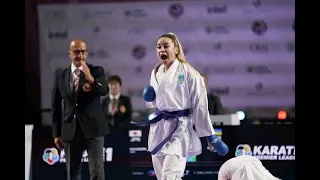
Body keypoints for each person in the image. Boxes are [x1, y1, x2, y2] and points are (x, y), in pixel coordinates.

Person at [135, 32, 225, 180]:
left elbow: (200, 106)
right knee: (161, 176)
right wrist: (150, 99)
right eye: (158, 47)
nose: (162, 50)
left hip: (179, 128)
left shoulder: (190, 74)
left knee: (170, 176)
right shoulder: (156, 72)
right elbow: (156, 103)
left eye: (166, 46)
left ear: (176, 49)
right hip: (158, 129)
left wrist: (210, 135)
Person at [51, 39, 109, 180]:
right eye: (76, 52)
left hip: (94, 129)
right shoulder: (60, 76)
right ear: (69, 54)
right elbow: (56, 105)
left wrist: (91, 79)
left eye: (83, 51)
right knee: (73, 173)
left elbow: (104, 90)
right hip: (70, 130)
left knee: (97, 173)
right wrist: (56, 133)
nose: (80, 55)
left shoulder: (96, 71)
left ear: (87, 53)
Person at [101, 75, 132, 179]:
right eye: (111, 85)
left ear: (119, 86)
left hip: (122, 137)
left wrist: (121, 129)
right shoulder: (104, 101)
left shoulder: (125, 100)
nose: (113, 87)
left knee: (122, 163)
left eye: (115, 85)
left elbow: (128, 118)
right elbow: (101, 118)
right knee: (108, 163)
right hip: (107, 137)